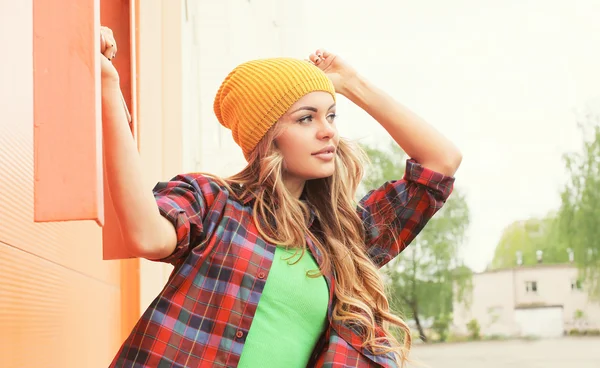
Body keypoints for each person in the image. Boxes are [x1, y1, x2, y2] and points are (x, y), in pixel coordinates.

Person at [100, 25, 461, 368]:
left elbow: (440, 162)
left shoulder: (343, 239)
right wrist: (108, 88)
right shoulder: (214, 204)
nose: (328, 132)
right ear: (267, 135)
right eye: (306, 118)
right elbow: (146, 235)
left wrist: (352, 84)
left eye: (331, 116)